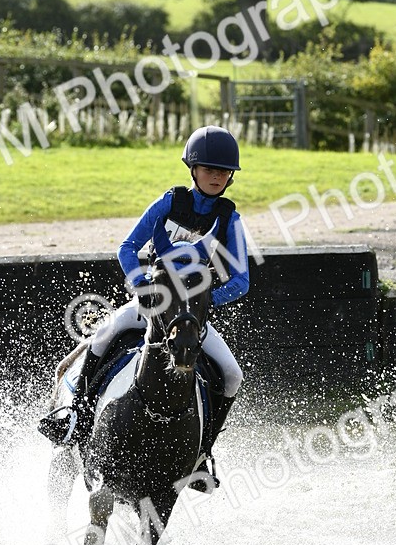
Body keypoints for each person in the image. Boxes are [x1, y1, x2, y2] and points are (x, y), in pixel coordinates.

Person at [41, 125, 248, 452]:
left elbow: (241, 281)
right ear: (193, 169)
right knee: (102, 335)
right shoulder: (169, 203)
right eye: (209, 169)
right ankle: (77, 417)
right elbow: (127, 247)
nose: (217, 176)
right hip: (151, 304)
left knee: (233, 375)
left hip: (191, 317)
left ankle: (203, 452)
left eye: (224, 171)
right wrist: (142, 286)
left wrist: (203, 302)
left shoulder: (229, 220)